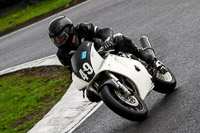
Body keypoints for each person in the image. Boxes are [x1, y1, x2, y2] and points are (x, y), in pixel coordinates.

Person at [48, 16, 155, 102]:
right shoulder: (62, 54)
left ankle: (142, 53)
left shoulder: (82, 28)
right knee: (91, 96)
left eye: (60, 37)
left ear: (69, 30)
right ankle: (117, 96)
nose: (59, 42)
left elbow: (104, 31)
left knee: (119, 38)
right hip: (93, 69)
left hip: (104, 50)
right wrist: (77, 77)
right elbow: (72, 70)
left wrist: (107, 40)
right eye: (56, 40)